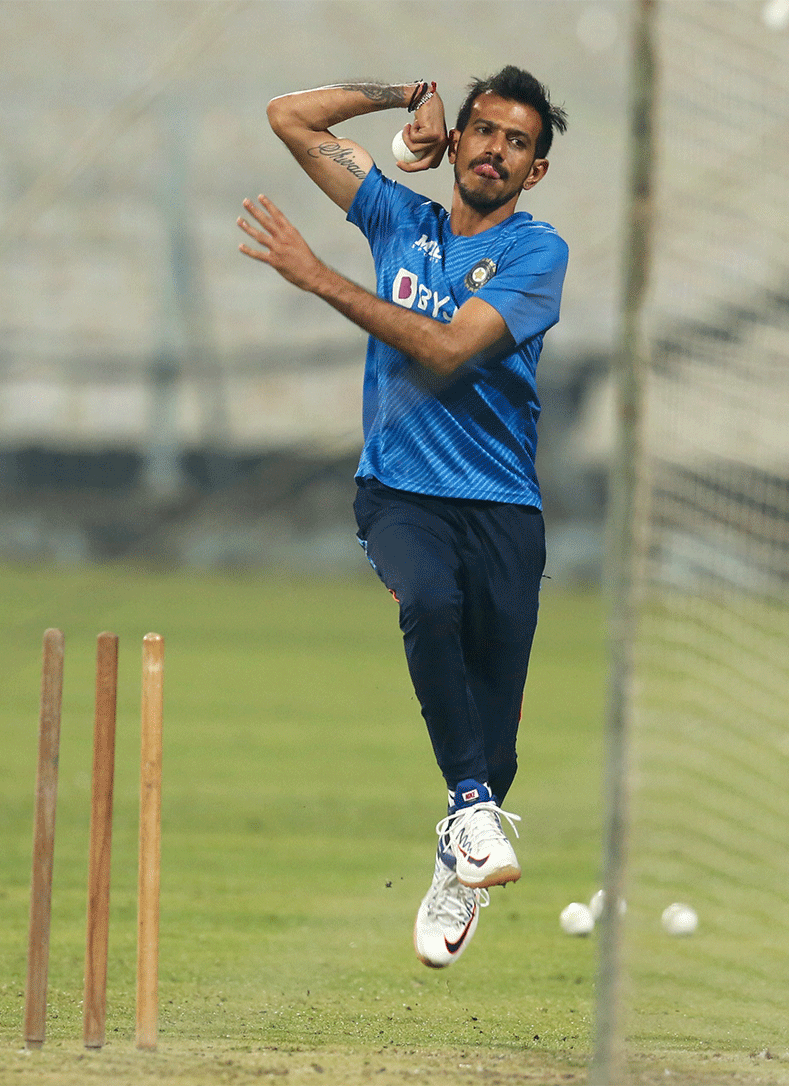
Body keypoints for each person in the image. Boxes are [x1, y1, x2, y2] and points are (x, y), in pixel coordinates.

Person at [237, 67, 568, 968]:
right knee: (425, 600)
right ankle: (466, 809)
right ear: (455, 143)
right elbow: (287, 113)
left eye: (517, 142)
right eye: (484, 131)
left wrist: (317, 278)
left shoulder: (540, 255)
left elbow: (450, 349)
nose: (496, 149)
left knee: (498, 737)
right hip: (400, 491)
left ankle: (461, 845)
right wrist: (398, 99)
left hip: (503, 505)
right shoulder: (398, 218)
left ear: (534, 171)